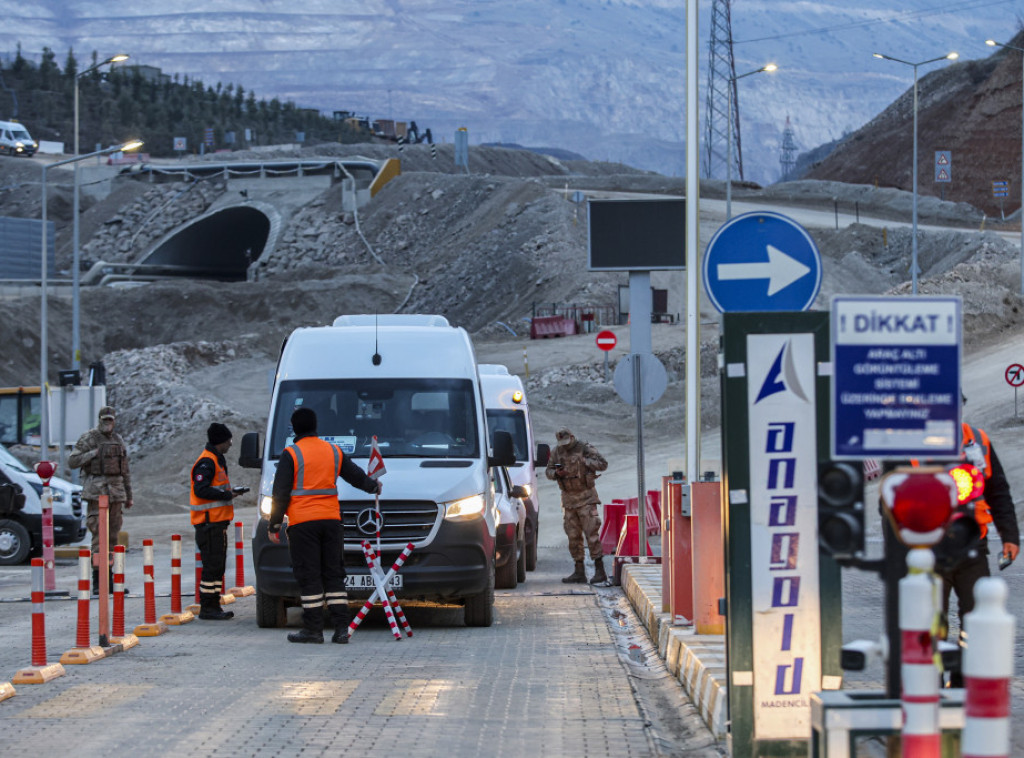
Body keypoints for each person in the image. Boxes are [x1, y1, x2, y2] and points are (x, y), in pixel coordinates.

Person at [268, 407, 381, 644]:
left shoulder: (292, 454)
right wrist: (373, 486)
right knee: (334, 574)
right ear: (315, 426)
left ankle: (313, 629)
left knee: (310, 575)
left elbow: (280, 492)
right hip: (331, 521)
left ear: (294, 428)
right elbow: (355, 475)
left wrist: (275, 524)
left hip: (303, 524)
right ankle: (342, 629)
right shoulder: (332, 450)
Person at [68, 405, 132, 595]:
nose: (107, 423)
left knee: (112, 537)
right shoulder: (89, 438)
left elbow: (125, 470)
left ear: (114, 421)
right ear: (99, 420)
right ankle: (98, 582)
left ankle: (110, 580)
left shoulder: (118, 440)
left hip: (116, 494)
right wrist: (92, 454)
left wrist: (129, 496)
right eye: (105, 420)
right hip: (96, 494)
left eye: (110, 420)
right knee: (98, 537)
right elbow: (72, 461)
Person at [190, 422, 241, 621]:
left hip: (217, 524)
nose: (230, 443)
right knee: (212, 567)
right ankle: (208, 607)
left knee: (217, 566)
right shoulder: (207, 462)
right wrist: (224, 494)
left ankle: (213, 604)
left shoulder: (215, 460)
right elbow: (200, 490)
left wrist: (227, 493)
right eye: (228, 440)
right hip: (208, 524)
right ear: (220, 441)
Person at [545, 427, 608, 585]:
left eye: (567, 442)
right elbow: (548, 471)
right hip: (568, 500)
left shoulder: (585, 448)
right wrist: (556, 474)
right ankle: (579, 570)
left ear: (572, 437)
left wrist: (585, 462)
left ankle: (600, 571)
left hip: (586, 497)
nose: (565, 446)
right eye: (562, 443)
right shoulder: (557, 452)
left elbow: (603, 464)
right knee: (573, 536)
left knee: (591, 533)